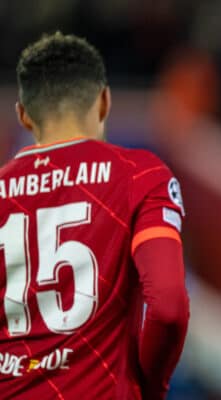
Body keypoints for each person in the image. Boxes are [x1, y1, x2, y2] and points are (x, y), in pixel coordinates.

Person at [0, 33, 189, 399]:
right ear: (104, 101)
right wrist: (150, 385)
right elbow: (168, 306)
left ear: (23, 114)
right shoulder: (140, 175)